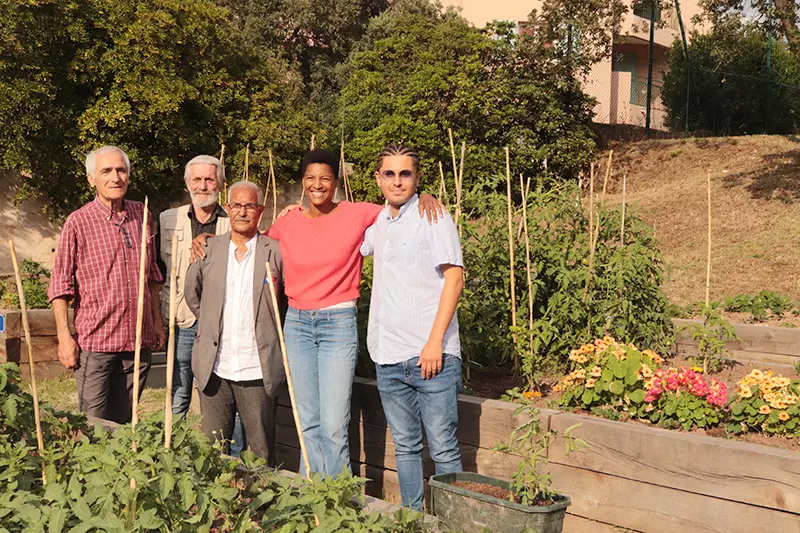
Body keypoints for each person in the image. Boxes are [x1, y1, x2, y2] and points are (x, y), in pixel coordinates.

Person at [192, 149, 443, 477]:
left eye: (325, 178)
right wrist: (207, 238)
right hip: (297, 324)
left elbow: (397, 202)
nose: (318, 184)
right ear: (303, 183)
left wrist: (426, 196)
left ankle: (337, 501)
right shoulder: (288, 222)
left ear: (336, 182)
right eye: (311, 178)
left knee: (334, 425)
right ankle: (310, 500)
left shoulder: (356, 214)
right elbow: (251, 243)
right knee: (307, 421)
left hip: (337, 324)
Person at [361, 144, 464, 511]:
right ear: (378, 179)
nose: (397, 181)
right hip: (388, 356)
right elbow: (337, 230)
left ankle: (450, 521)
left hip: (430, 357)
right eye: (389, 173)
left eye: (406, 173)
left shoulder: (434, 217)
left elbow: (455, 280)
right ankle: (413, 518)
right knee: (404, 446)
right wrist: (298, 210)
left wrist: (435, 342)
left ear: (418, 178)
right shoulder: (378, 223)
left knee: (442, 447)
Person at [49, 145, 166, 424]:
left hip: (137, 340)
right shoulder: (79, 221)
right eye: (106, 171)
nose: (115, 177)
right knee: (93, 422)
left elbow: (151, 275)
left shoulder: (142, 215)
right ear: (92, 179)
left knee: (125, 422)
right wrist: (65, 339)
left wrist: (158, 323)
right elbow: (60, 284)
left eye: (121, 170)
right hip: (97, 341)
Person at [184, 180, 285, 463]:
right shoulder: (207, 249)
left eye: (250, 205)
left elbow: (286, 301)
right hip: (216, 367)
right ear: (227, 209)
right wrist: (209, 324)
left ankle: (260, 506)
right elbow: (192, 294)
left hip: (256, 368)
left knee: (260, 452)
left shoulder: (275, 251)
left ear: (261, 210)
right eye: (237, 205)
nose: (243, 211)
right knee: (213, 451)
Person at [159, 155, 230, 415]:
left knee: (218, 390)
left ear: (220, 184)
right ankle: (172, 448)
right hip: (182, 317)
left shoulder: (234, 221)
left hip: (220, 318)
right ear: (187, 183)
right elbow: (158, 271)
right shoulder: (168, 220)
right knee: (177, 390)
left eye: (209, 179)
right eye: (197, 179)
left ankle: (221, 450)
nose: (203, 185)